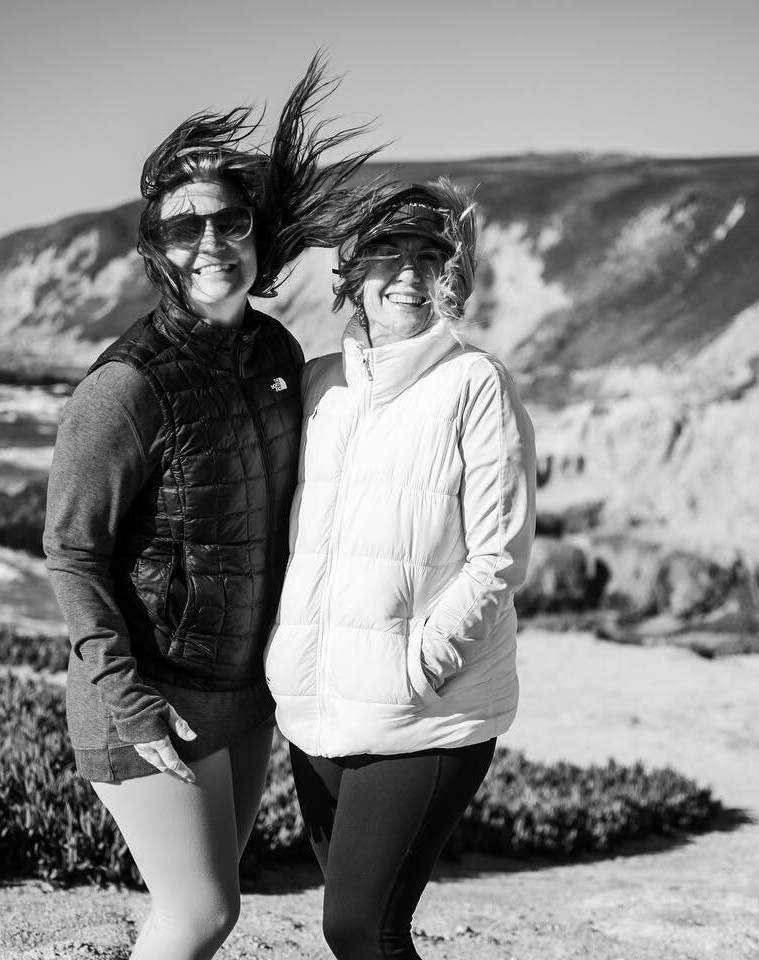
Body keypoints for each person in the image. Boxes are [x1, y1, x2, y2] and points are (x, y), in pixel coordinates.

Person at [42, 57, 376, 960]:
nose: (211, 241)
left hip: (243, 695)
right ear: (157, 247)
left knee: (210, 911)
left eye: (230, 220)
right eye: (185, 227)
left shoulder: (275, 349)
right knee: (198, 915)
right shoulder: (125, 385)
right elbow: (72, 552)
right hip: (145, 696)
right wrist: (131, 701)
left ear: (257, 233)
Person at [264, 180, 538, 960]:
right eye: (388, 254)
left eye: (429, 256)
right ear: (353, 273)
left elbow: (501, 554)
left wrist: (418, 664)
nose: (409, 275)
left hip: (425, 710)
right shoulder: (320, 384)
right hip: (318, 703)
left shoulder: (473, 383)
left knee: (359, 928)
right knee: (367, 933)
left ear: (453, 273)